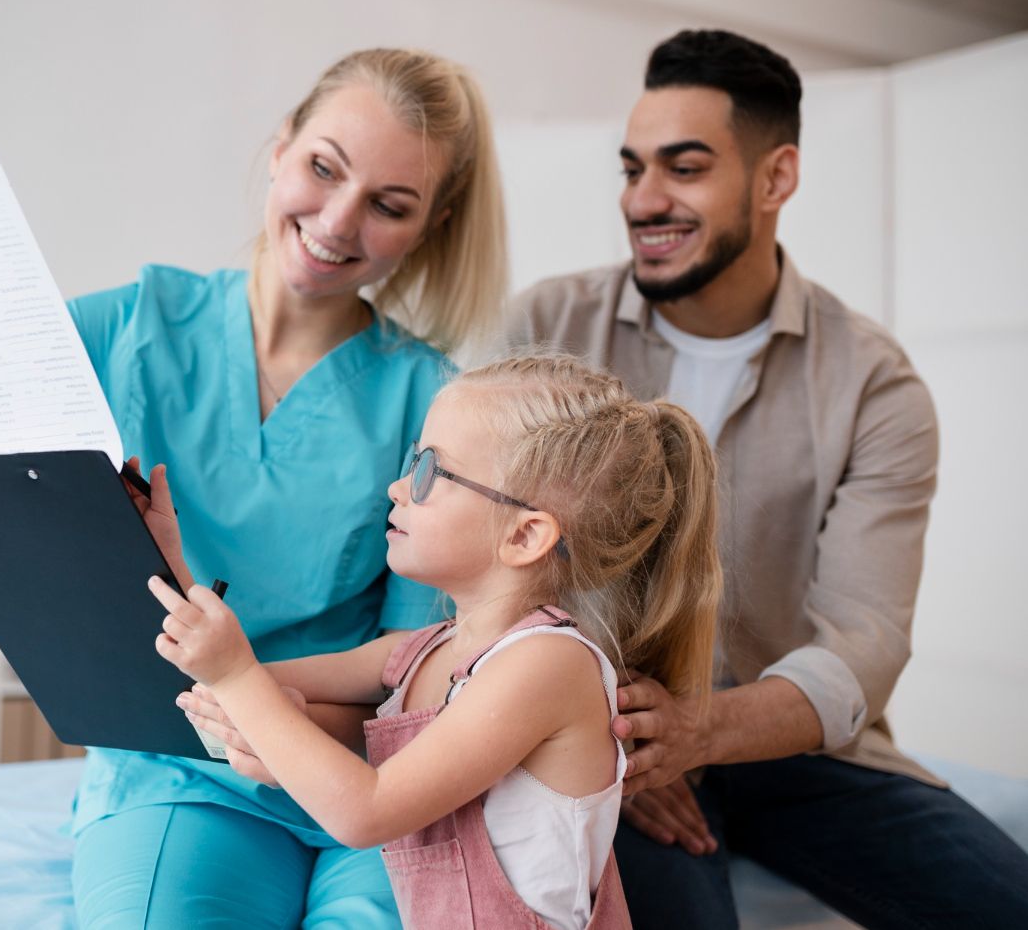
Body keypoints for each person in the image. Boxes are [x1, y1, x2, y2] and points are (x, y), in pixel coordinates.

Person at [0, 48, 508, 927]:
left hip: (369, 775)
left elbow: (420, 672)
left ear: (430, 226)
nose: (336, 218)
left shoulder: (428, 396)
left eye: (389, 205)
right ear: (281, 147)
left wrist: (270, 718)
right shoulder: (141, 324)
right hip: (183, 771)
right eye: (323, 168)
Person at [508, 28, 1028, 928]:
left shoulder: (874, 382)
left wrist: (703, 730)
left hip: (786, 748)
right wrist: (605, 743)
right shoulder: (548, 328)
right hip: (599, 741)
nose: (644, 200)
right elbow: (484, 563)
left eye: (684, 168)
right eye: (632, 170)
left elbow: (864, 641)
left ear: (776, 178)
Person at [141, 354, 722, 930]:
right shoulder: (424, 651)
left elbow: (366, 811)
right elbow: (256, 687)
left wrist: (243, 684)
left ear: (524, 535)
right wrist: (173, 567)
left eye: (428, 472)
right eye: (409, 461)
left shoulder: (549, 665)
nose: (396, 487)